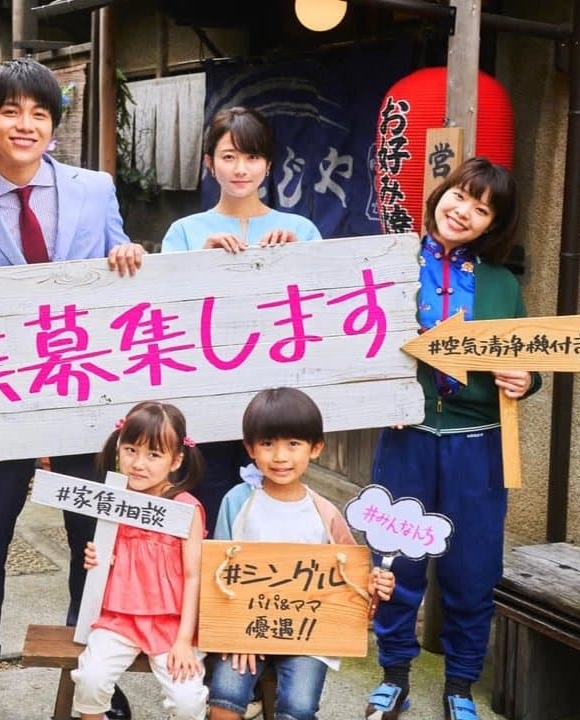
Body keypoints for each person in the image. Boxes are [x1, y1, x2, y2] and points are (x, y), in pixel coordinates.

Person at [0, 57, 144, 720]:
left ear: (53, 126)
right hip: (5, 402)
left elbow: (123, 270)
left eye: (39, 113)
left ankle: (94, 672)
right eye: (10, 112)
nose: (25, 124)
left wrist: (129, 255)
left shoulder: (95, 190)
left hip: (85, 396)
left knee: (91, 538)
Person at [363, 158, 538, 720]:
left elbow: (528, 356)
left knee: (472, 567)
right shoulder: (390, 262)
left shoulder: (502, 283)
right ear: (441, 193)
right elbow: (355, 340)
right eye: (460, 195)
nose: (464, 211)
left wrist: (527, 379)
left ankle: (460, 684)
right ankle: (393, 675)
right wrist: (380, 391)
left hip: (479, 445)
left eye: (481, 209)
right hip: (406, 438)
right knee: (396, 560)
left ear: (493, 225)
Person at [160, 106, 323, 533]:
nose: (240, 169)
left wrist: (299, 258)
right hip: (205, 401)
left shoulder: (301, 230)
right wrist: (200, 262)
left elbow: (325, 307)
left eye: (252, 157)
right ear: (209, 163)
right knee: (205, 517)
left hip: (278, 406)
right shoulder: (185, 232)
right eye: (228, 156)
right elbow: (164, 315)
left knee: (271, 521)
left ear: (268, 164)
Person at [208, 387, 395, 720]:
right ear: (250, 448)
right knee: (225, 695)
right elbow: (216, 574)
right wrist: (233, 632)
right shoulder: (236, 502)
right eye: (268, 444)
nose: (280, 456)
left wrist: (373, 586)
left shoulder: (324, 513)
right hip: (246, 626)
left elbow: (351, 583)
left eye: (293, 444)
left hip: (308, 633)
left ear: (316, 447)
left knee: (298, 705)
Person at [73, 401, 208, 720]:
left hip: (171, 624)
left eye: (154, 455)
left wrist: (185, 640)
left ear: (176, 460)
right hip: (117, 617)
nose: (138, 463)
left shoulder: (185, 509)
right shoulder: (113, 499)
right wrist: (99, 560)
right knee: (90, 679)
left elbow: (193, 576)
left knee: (188, 701)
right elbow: (111, 558)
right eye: (131, 450)